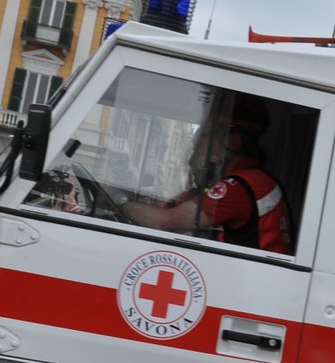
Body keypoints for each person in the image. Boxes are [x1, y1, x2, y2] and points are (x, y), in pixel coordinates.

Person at [121, 96, 292, 254]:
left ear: (232, 141)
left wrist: (123, 203)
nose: (194, 154)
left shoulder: (241, 186)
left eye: (203, 140)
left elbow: (164, 222)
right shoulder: (253, 182)